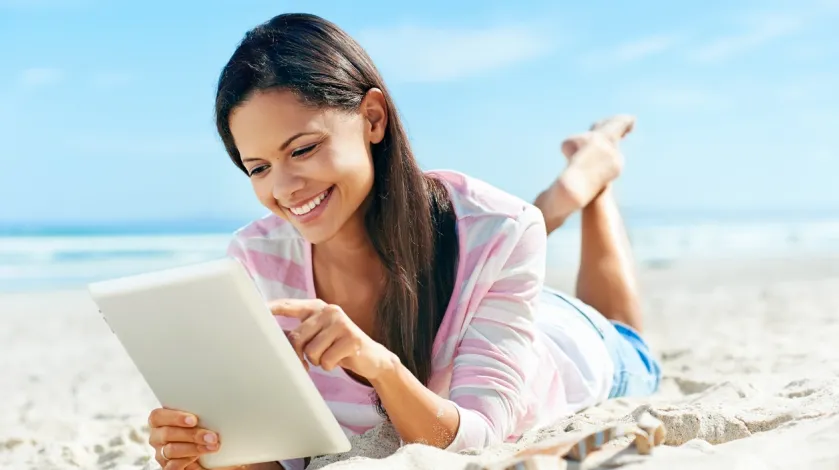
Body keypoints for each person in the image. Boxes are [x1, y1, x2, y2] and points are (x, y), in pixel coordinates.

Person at [145, 12, 661, 470]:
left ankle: (591, 181)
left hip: (571, 349)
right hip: (480, 283)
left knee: (630, 341)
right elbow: (289, 457)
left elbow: (478, 444)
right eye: (258, 167)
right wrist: (212, 454)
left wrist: (378, 364)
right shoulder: (256, 259)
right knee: (503, 232)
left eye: (302, 149)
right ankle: (567, 192)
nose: (283, 189)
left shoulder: (502, 229)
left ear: (372, 118)